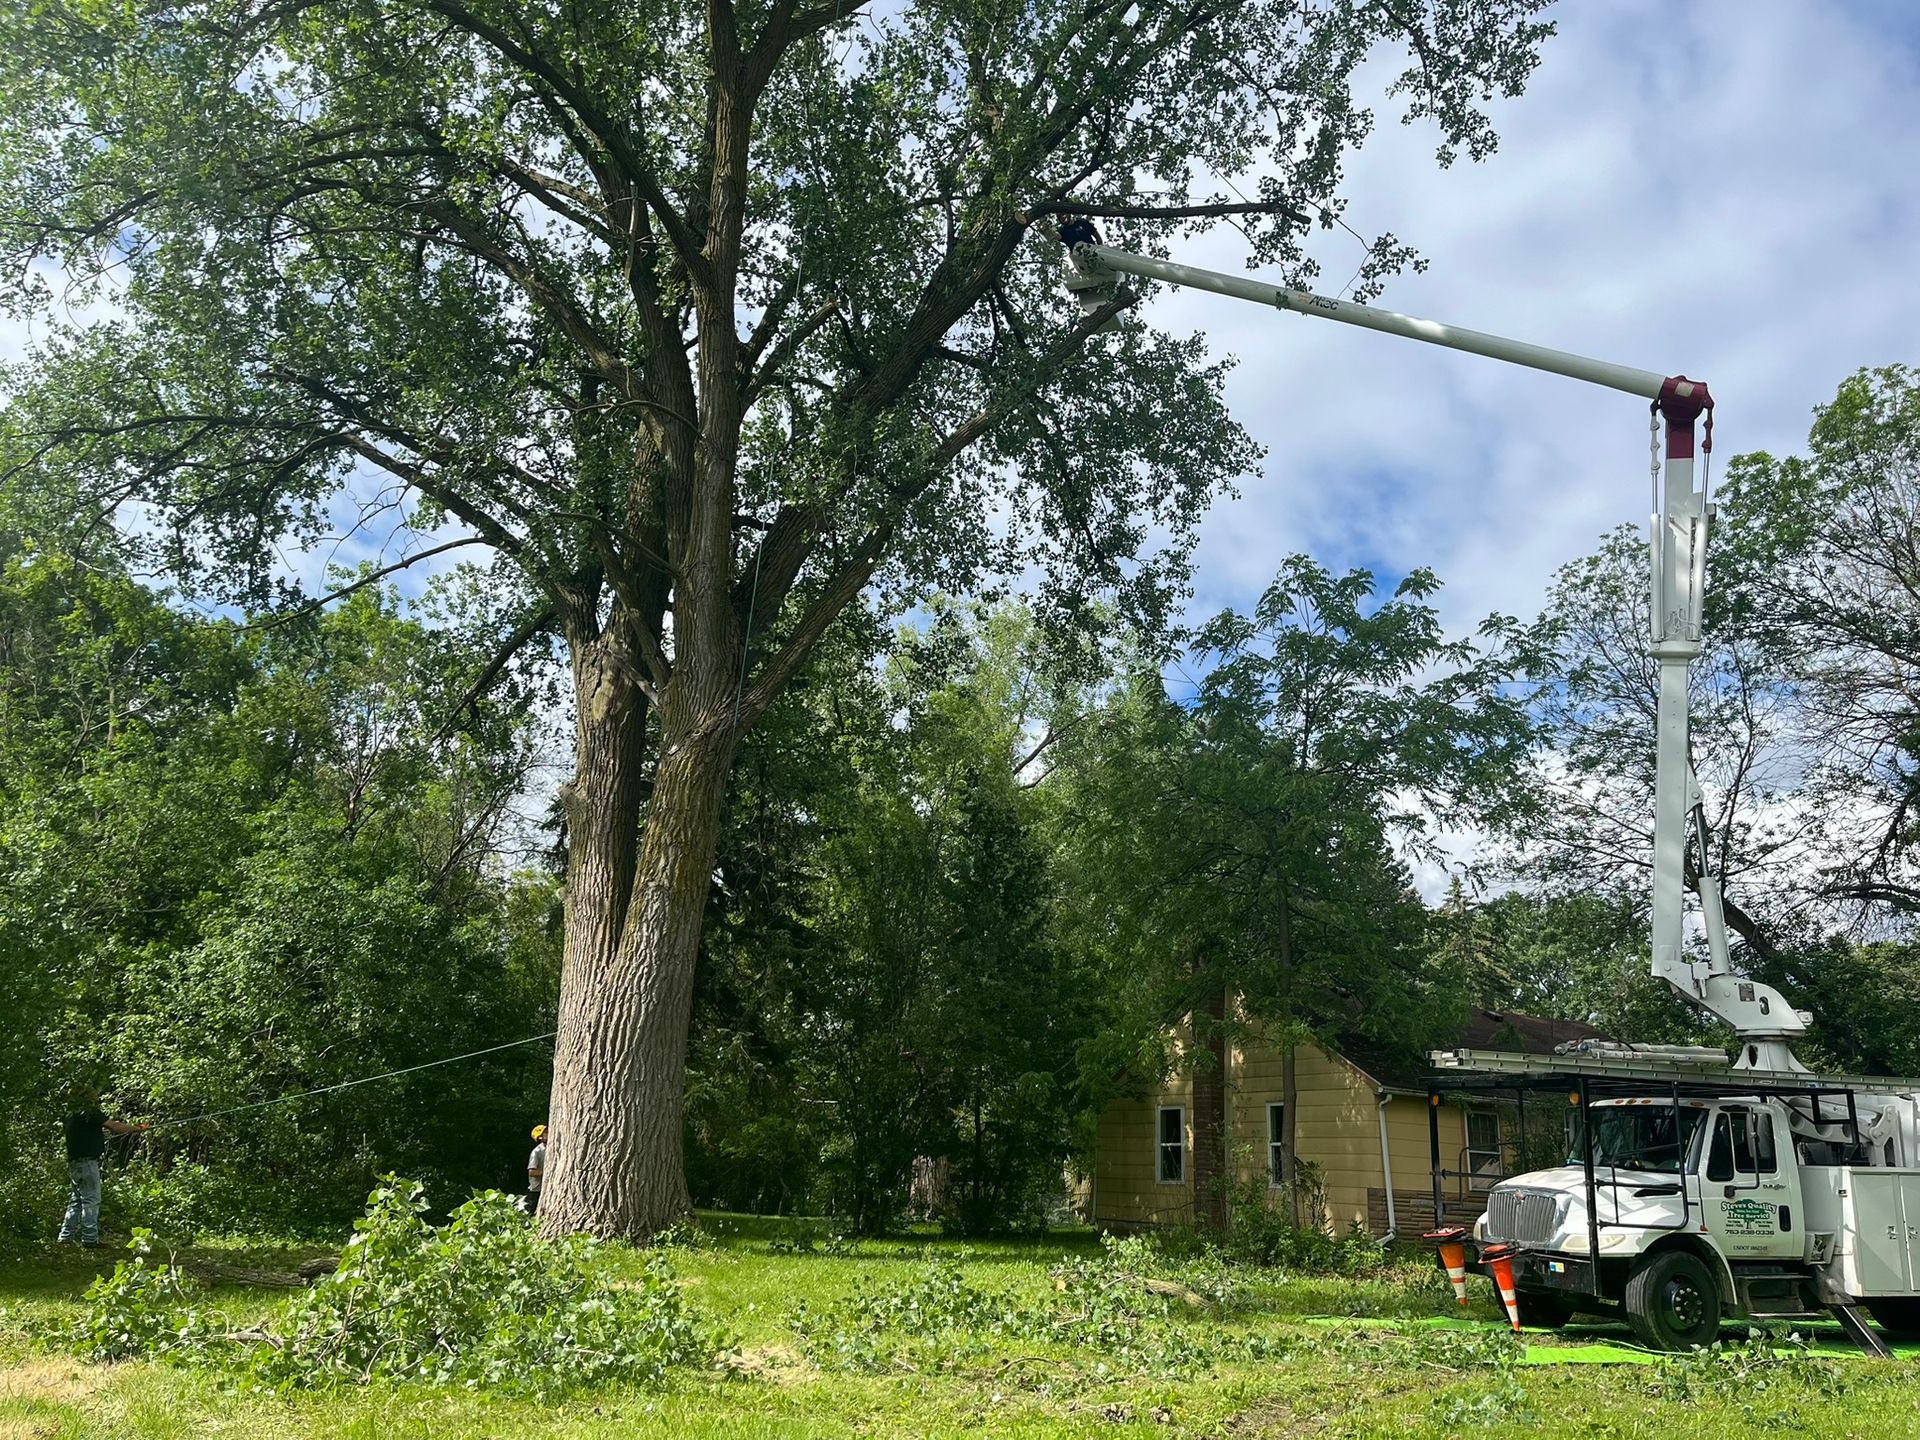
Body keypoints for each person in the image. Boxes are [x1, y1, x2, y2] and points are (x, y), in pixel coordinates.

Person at [60, 1091, 145, 1246]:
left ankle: (65, 1237)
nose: (97, 1097)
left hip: (75, 1164)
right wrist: (136, 1128)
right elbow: (114, 1126)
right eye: (93, 1095)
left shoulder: (73, 1114)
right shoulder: (89, 1112)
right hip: (87, 1164)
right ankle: (90, 1239)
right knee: (92, 1200)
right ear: (86, 1098)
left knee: (77, 1201)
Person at [527, 1125, 548, 1215]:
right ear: (540, 1137)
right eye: (546, 1132)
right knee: (530, 1213)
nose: (549, 1133)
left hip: (546, 1188)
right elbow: (531, 1172)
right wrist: (547, 1172)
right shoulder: (537, 1152)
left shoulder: (552, 1149)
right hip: (536, 1190)